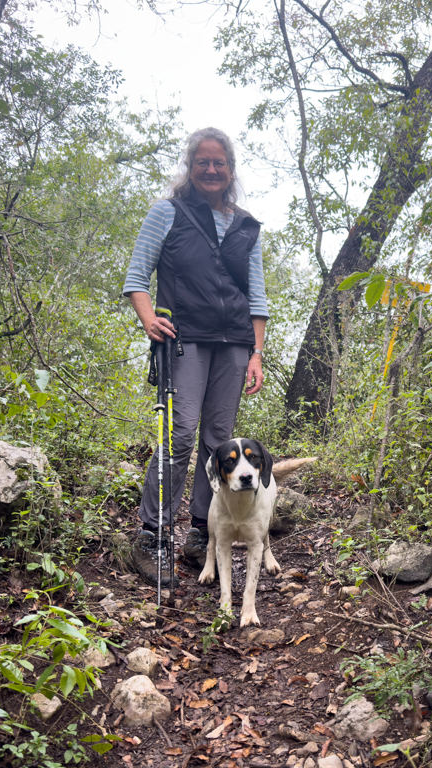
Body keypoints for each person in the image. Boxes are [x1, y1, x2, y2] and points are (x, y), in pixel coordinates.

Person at [121, 127, 268, 587]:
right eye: (202, 162)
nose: (210, 169)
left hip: (236, 344)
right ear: (190, 167)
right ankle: (152, 535)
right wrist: (149, 319)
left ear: (230, 169)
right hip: (184, 339)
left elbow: (257, 296)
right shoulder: (169, 212)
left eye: (218, 162)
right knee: (181, 433)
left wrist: (257, 353)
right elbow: (136, 276)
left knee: (218, 440)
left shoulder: (246, 224)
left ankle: (202, 532)